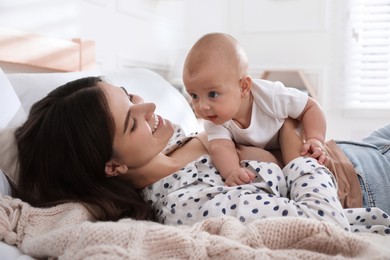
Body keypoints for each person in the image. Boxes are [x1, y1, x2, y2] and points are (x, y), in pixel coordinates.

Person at [13, 77, 390, 234]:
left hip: (356, 146)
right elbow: (322, 222)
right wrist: (296, 155)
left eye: (130, 95)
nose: (149, 106)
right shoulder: (189, 205)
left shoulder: (170, 139)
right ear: (113, 166)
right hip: (365, 183)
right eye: (132, 121)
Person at [182, 33, 328, 186]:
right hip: (269, 154)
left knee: (292, 138)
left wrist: (315, 139)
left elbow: (311, 107)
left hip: (289, 140)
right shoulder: (214, 118)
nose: (202, 106)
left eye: (212, 94)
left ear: (244, 87)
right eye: (194, 95)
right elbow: (220, 147)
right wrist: (232, 171)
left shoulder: (271, 96)